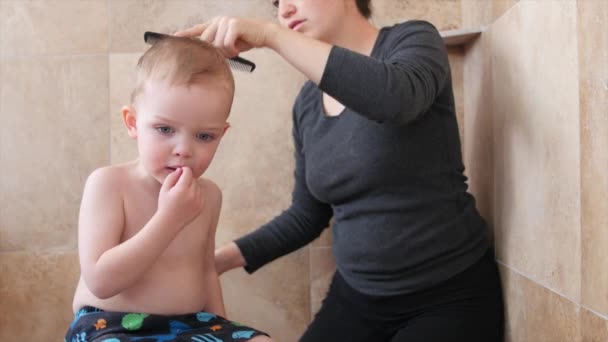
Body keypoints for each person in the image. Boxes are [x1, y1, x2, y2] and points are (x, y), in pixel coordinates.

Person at [177, 0, 504, 341]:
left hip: (447, 294)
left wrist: (269, 35)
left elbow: (395, 100)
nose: (284, 10)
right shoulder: (307, 103)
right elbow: (306, 216)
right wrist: (215, 261)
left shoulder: (414, 40)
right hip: (358, 298)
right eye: (276, 3)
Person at [65, 36, 271, 342]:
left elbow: (205, 271)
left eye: (204, 136)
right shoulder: (110, 184)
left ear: (221, 134)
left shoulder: (209, 195)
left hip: (192, 325)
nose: (184, 149)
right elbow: (101, 282)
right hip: (110, 326)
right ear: (132, 123)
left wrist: (223, 328)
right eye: (165, 130)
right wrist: (169, 219)